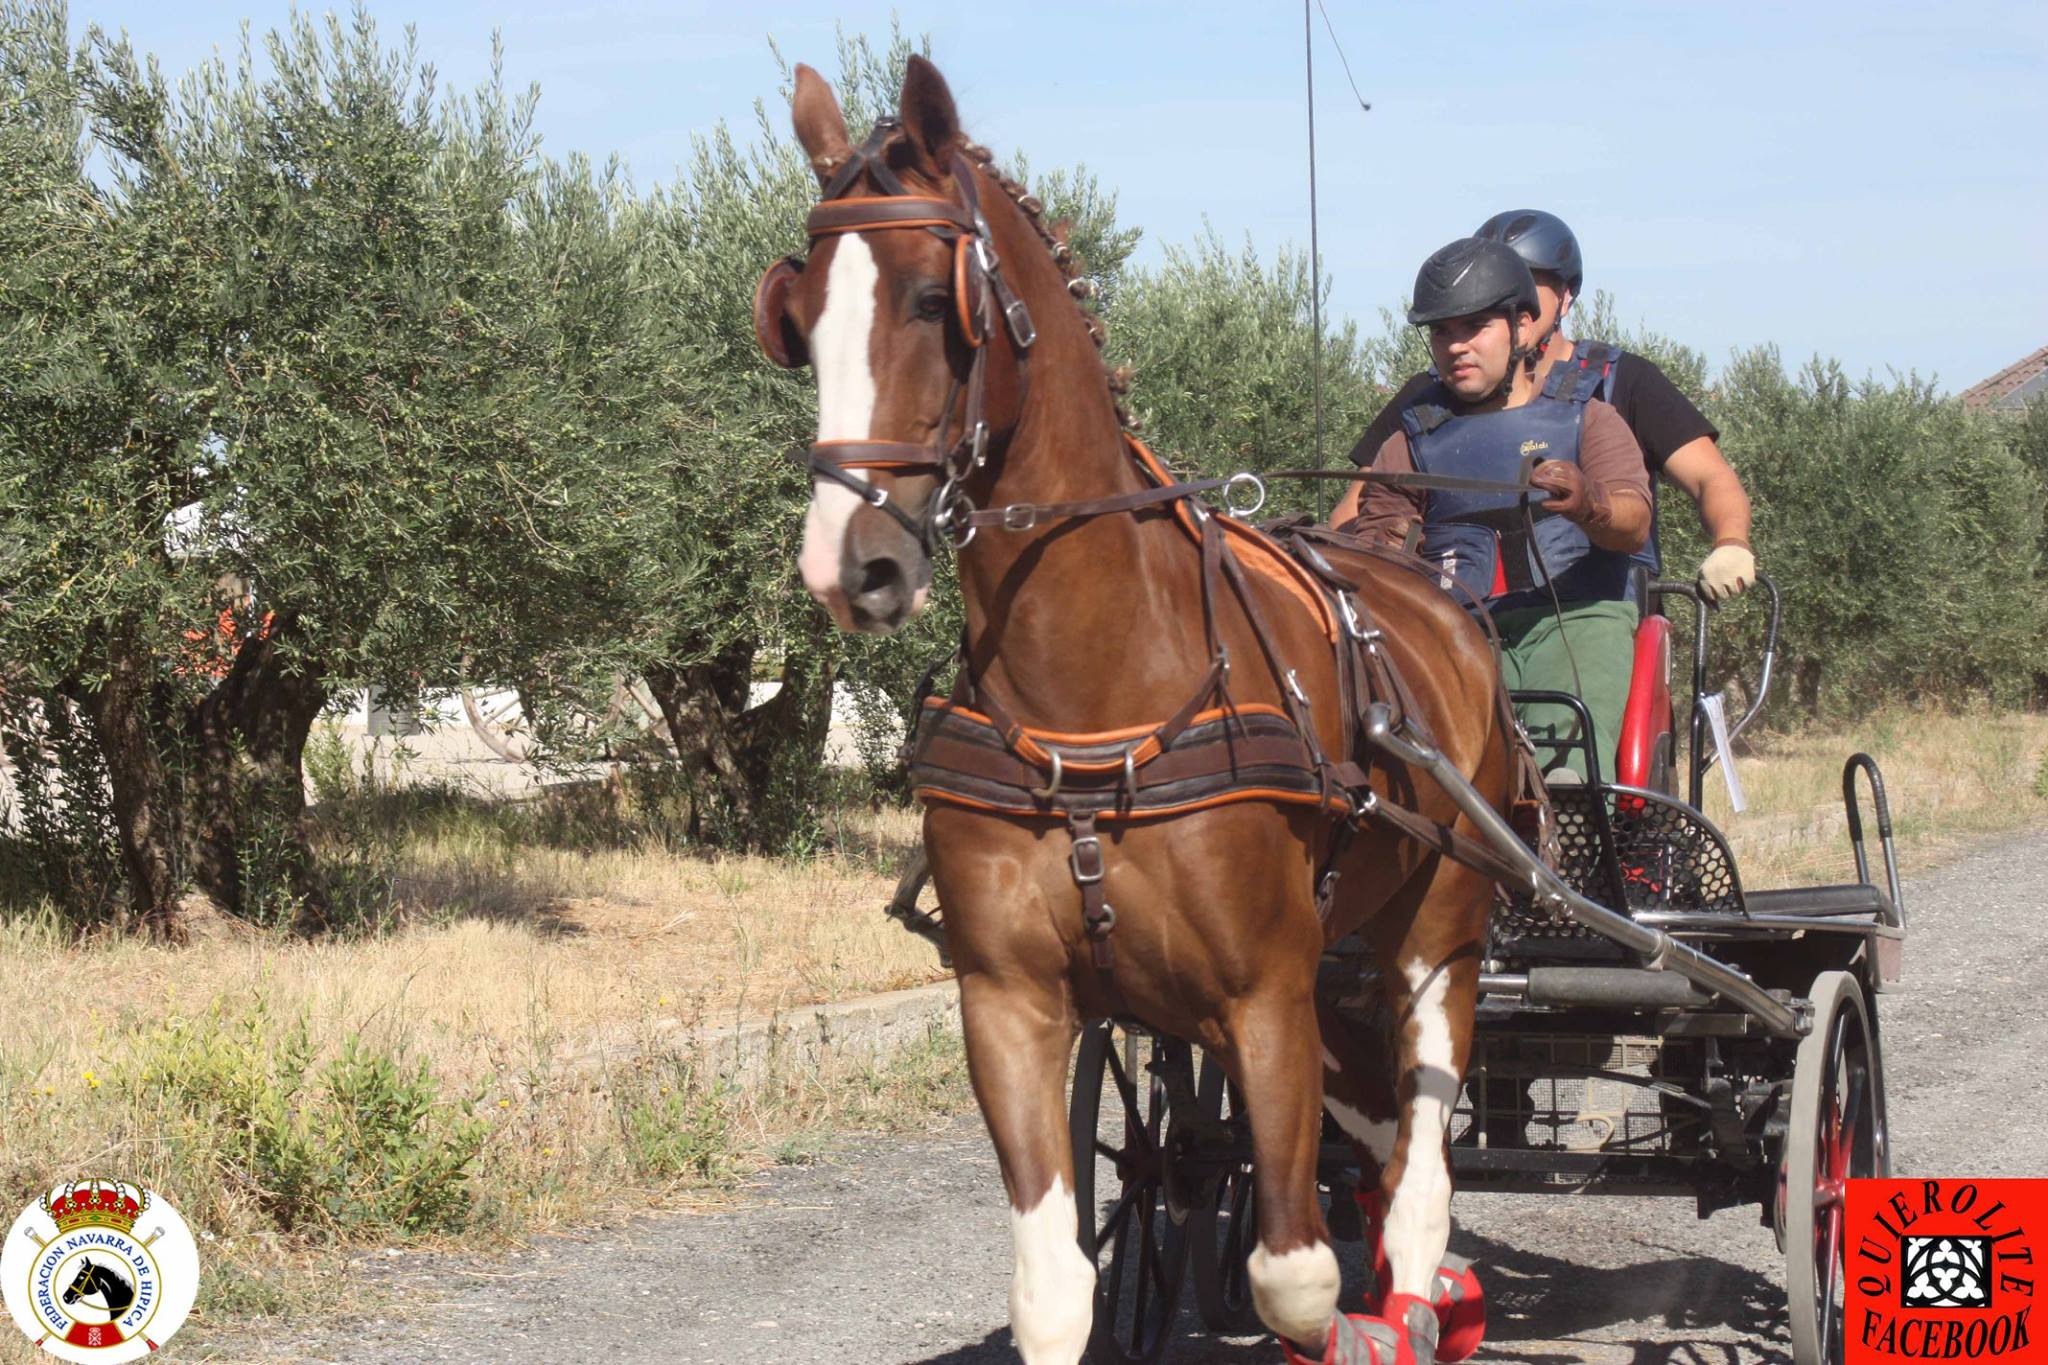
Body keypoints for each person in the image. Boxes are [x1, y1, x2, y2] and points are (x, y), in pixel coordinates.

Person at [1339, 238, 1651, 782]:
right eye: (1441, 331)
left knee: (1564, 761)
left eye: (1474, 327)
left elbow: (1633, 523)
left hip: (1579, 620)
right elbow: (1376, 546)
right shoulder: (1407, 442)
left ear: (1522, 326)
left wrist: (1589, 502)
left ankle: (1572, 842)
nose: (1455, 345)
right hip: (1458, 629)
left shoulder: (1589, 420)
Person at [1340, 210, 1755, 604]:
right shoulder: (1429, 396)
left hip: (1602, 605)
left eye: (1528, 280)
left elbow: (1709, 478)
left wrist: (1730, 543)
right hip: (1457, 610)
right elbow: (1359, 505)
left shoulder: (1621, 380)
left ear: (1564, 297)